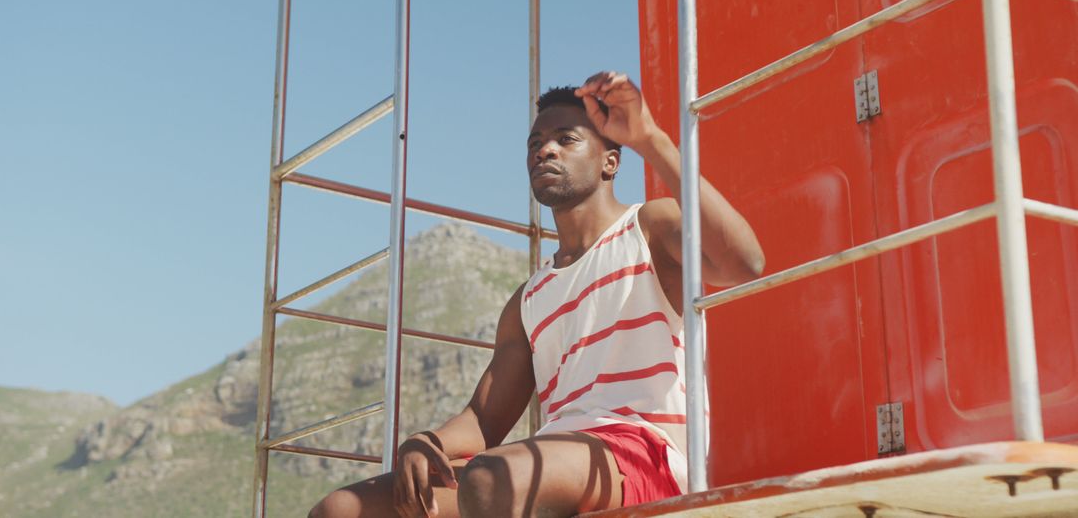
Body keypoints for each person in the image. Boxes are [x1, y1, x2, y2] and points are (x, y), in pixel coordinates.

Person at [309, 72, 764, 518]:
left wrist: (649, 139)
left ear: (610, 161)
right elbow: (484, 421)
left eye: (567, 139)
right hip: (554, 458)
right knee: (342, 510)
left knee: (493, 479)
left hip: (645, 455)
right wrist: (427, 443)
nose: (545, 149)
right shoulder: (529, 299)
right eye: (534, 143)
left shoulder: (648, 228)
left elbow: (745, 264)